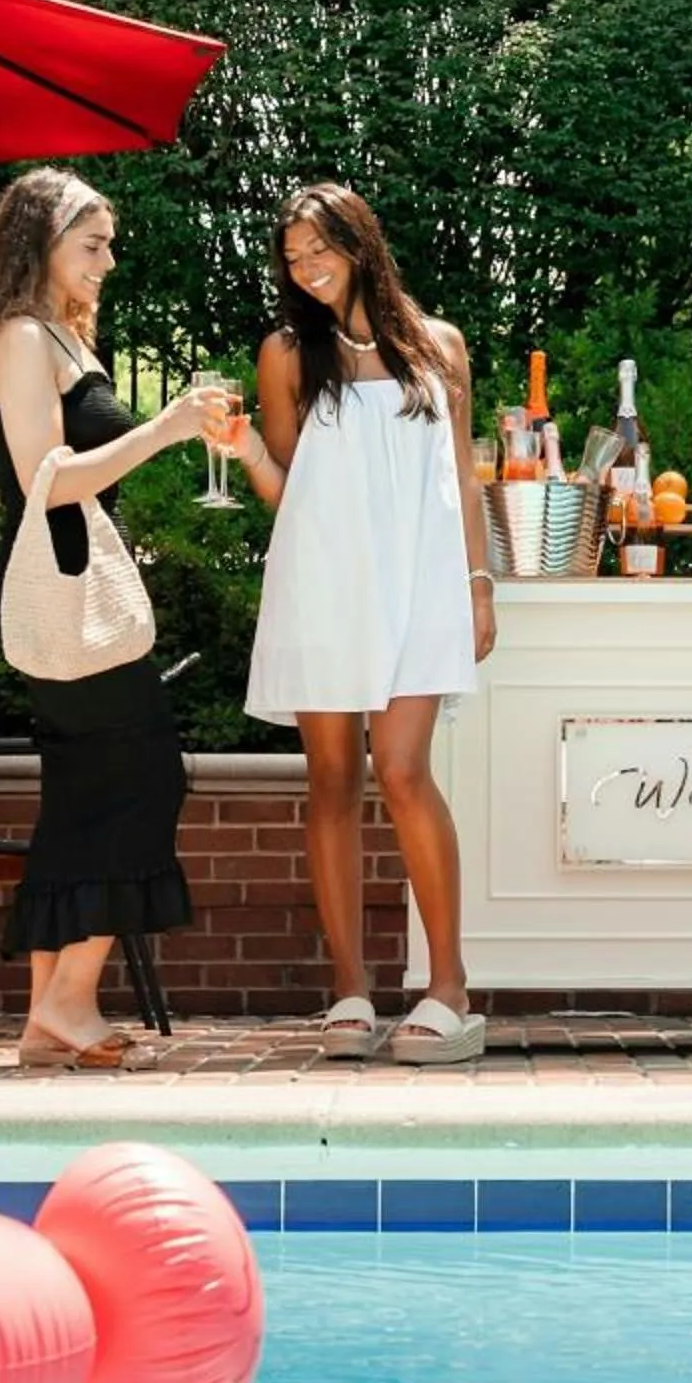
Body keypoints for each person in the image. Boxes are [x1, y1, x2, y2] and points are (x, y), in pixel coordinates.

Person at [202, 182, 494, 1065]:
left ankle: (449, 988)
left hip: (420, 586)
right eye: (292, 257)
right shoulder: (288, 354)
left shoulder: (439, 346)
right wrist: (243, 449)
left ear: (359, 242)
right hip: (323, 583)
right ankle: (350, 991)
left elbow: (463, 477)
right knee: (331, 779)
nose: (307, 267)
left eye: (319, 247)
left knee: (402, 772)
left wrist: (480, 583)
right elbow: (288, 491)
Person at [0, 167, 201, 1071]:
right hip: (60, 588)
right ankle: (68, 1002)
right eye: (92, 244)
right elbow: (48, 477)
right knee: (145, 780)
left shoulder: (55, 336)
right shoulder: (20, 340)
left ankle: (45, 1021)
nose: (109, 259)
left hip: (71, 584)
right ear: (38, 244)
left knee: (80, 799)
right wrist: (166, 428)